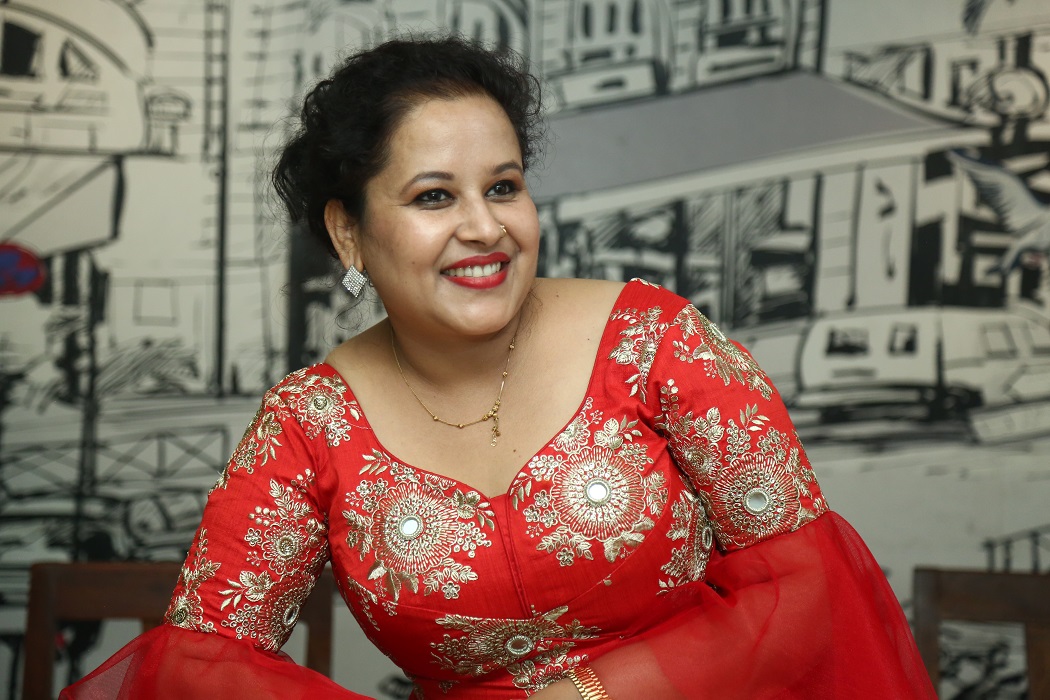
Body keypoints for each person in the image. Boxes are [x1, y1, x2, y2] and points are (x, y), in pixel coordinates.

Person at [63, 35, 936, 699]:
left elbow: (809, 586)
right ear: (348, 232)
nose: (485, 228)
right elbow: (201, 661)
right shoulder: (307, 425)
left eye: (505, 187)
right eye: (434, 197)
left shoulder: (655, 342)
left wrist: (582, 696)